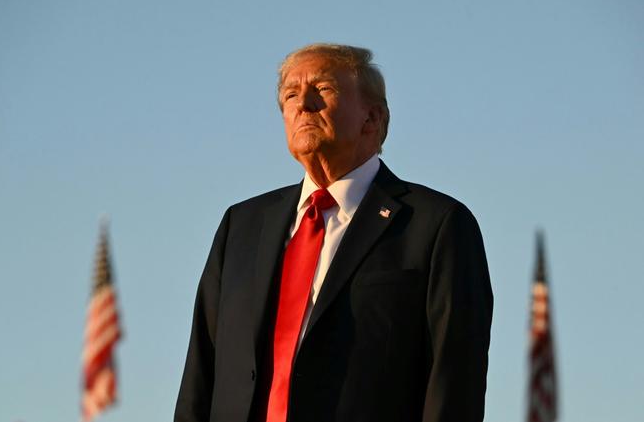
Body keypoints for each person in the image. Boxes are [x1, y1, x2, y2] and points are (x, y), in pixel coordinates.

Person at [175, 43, 493, 422]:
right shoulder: (240, 226)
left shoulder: (437, 225)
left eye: (323, 90)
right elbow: (202, 370)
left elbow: (453, 385)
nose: (302, 104)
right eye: (291, 94)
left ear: (371, 118)